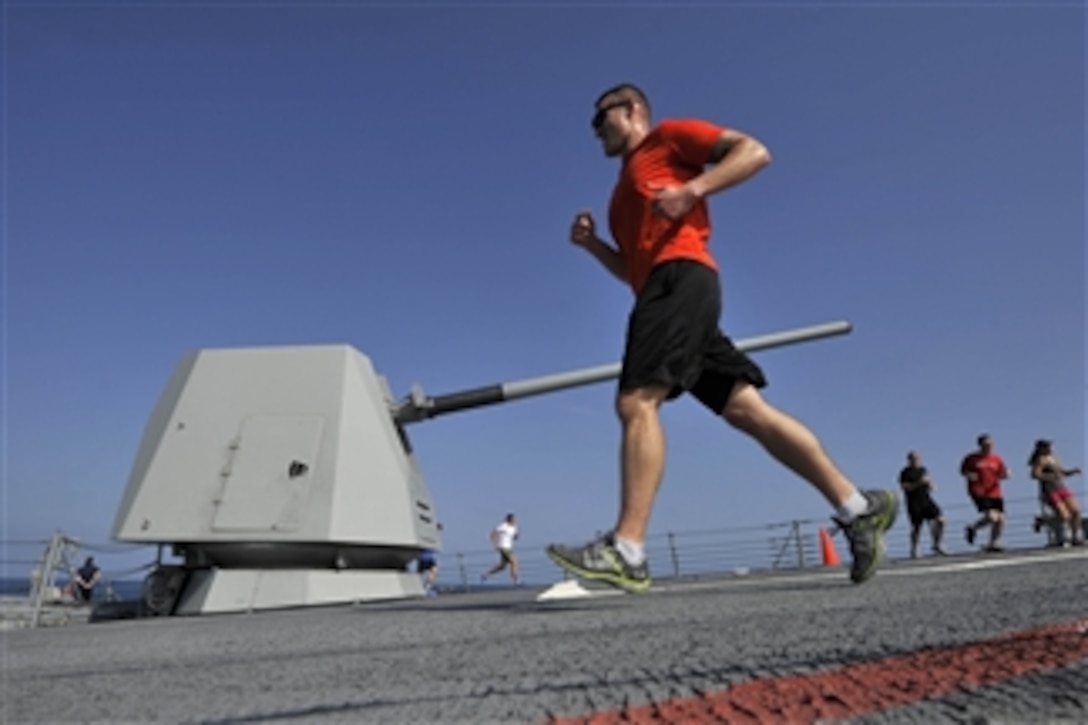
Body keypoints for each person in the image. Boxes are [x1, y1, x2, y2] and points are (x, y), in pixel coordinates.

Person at [545, 83, 898, 592]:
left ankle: (628, 548)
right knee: (746, 411)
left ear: (632, 110)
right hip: (663, 288)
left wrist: (694, 190)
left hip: (680, 279)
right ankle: (858, 507)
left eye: (601, 118)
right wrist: (593, 246)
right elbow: (632, 271)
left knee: (637, 402)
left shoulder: (667, 139)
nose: (596, 130)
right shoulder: (623, 192)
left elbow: (754, 151)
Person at [1029, 439, 1083, 546]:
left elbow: (1061, 472)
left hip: (1061, 487)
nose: (1051, 449)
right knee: (1064, 516)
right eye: (1048, 447)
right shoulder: (1040, 460)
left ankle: (1075, 537)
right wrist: (1050, 477)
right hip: (1050, 490)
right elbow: (1035, 475)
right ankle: (1043, 521)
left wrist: (1071, 472)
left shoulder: (1054, 458)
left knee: (1076, 511)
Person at [961, 434, 1009, 552]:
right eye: (986, 445)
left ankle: (993, 543)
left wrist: (1006, 474)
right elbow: (963, 470)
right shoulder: (971, 458)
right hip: (979, 491)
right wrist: (969, 475)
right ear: (980, 445)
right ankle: (973, 528)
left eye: (991, 444)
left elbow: (1002, 473)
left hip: (995, 491)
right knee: (992, 517)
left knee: (1001, 519)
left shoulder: (996, 459)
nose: (989, 447)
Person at [898, 451, 947, 558]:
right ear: (909, 460)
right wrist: (919, 483)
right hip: (913, 502)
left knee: (941, 520)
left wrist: (930, 484)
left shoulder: (923, 470)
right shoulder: (905, 472)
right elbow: (905, 487)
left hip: (926, 499)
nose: (916, 460)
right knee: (917, 527)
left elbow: (928, 482)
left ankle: (937, 544)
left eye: (917, 458)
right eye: (913, 458)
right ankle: (914, 549)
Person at [481, 513, 520, 585]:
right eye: (513, 519)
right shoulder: (503, 526)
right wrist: (495, 544)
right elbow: (493, 533)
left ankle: (485, 574)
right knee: (514, 561)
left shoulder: (514, 527)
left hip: (509, 547)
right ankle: (516, 581)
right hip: (503, 547)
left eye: (515, 519)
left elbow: (515, 537)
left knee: (502, 566)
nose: (515, 520)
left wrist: (516, 536)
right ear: (509, 519)